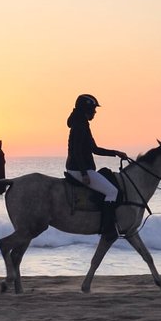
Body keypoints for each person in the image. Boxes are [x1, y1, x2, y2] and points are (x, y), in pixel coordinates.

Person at [66, 94, 128, 238]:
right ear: (86, 108)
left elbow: (94, 149)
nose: (95, 112)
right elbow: (76, 151)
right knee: (112, 192)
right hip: (78, 169)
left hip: (79, 167)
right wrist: (84, 173)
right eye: (93, 109)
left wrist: (116, 153)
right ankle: (108, 228)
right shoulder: (80, 125)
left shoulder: (82, 123)